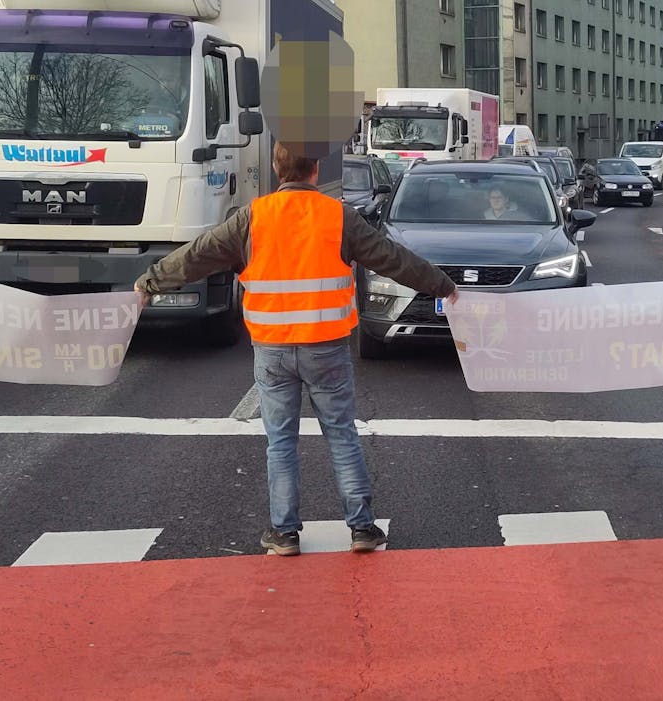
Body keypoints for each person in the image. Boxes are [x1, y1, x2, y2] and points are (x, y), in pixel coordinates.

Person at [135, 143, 458, 556]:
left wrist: (151, 281)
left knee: (281, 441)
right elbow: (391, 258)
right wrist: (442, 285)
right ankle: (361, 527)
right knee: (342, 434)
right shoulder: (337, 217)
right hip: (326, 347)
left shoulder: (252, 218)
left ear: (276, 168)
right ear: (316, 170)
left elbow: (198, 256)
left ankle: (284, 532)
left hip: (272, 349)